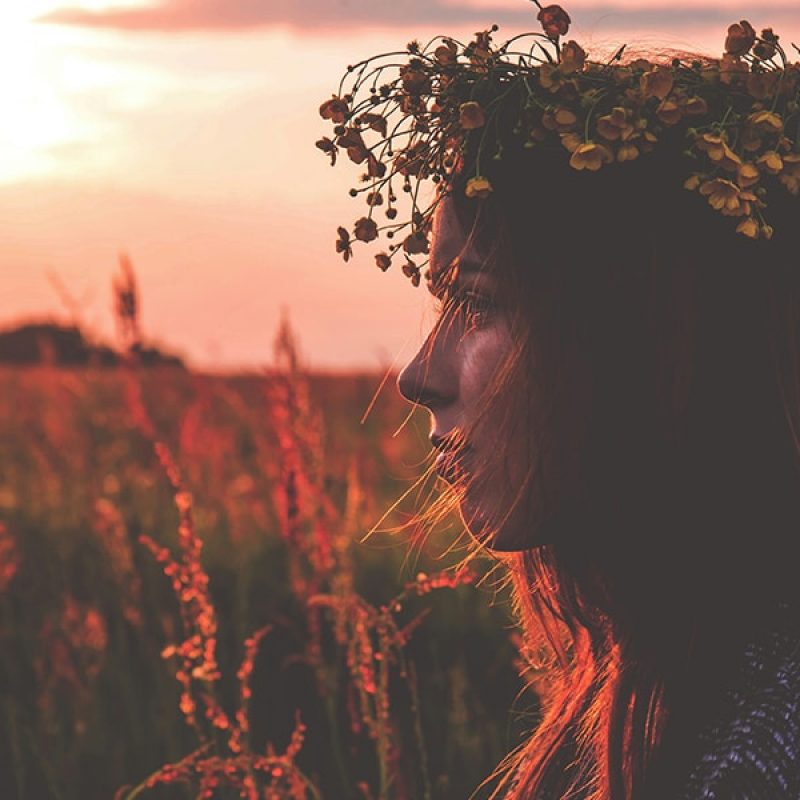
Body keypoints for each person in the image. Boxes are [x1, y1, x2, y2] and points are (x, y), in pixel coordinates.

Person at [319, 7, 800, 798]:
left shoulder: (761, 747)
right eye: (440, 300)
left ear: (639, 339)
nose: (417, 375)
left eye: (477, 303)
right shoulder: (698, 673)